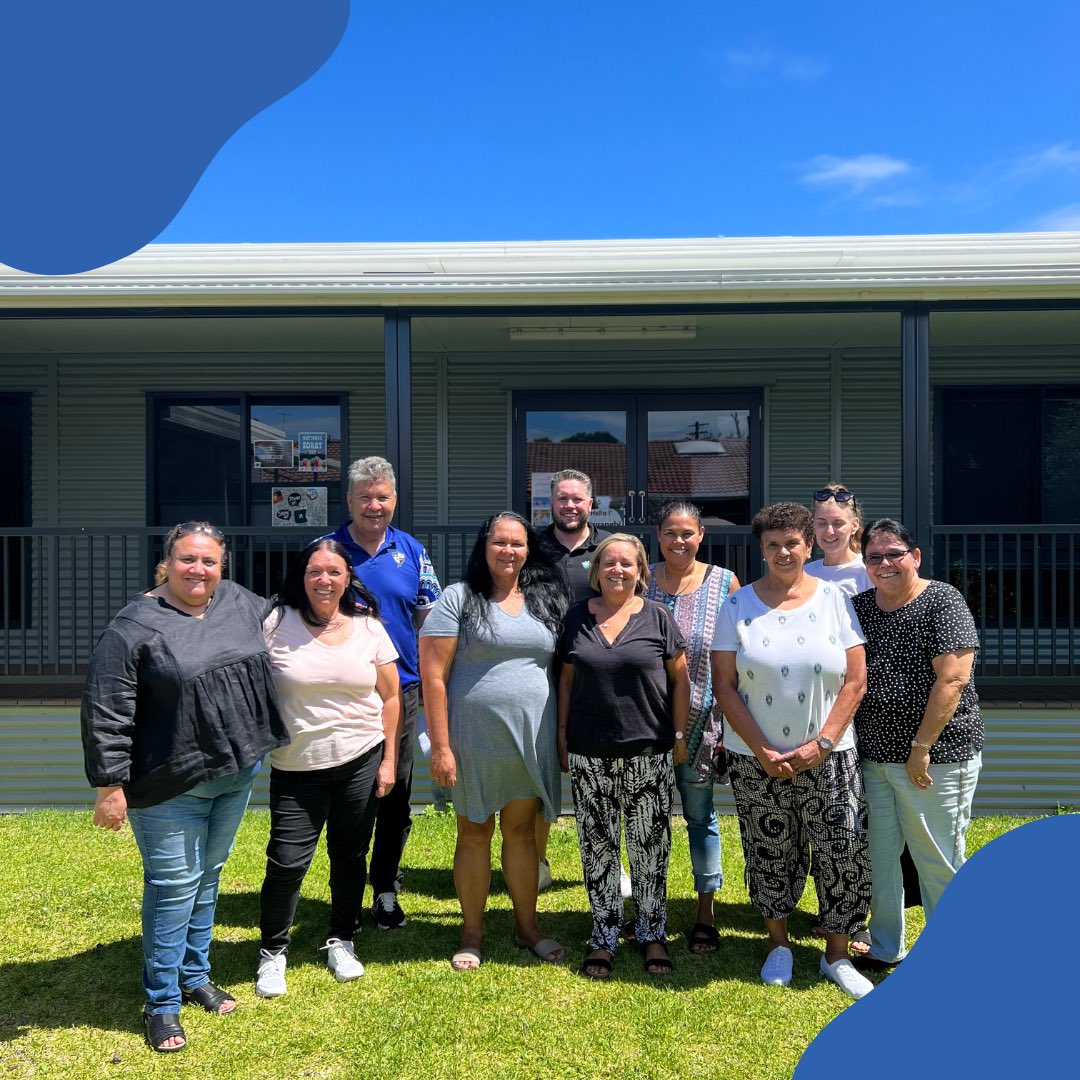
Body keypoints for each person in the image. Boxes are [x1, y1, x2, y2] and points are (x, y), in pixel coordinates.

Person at [81, 522, 288, 1053]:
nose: (200, 570)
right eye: (188, 560)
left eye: (210, 561)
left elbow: (291, 622)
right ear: (166, 562)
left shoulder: (237, 602)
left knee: (208, 878)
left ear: (224, 566)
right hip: (168, 782)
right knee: (174, 888)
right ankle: (162, 1003)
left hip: (235, 772)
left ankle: (195, 975)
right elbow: (107, 712)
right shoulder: (132, 627)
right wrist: (109, 786)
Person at [711, 502, 875, 1000]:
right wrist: (761, 749)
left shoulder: (834, 599)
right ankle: (778, 944)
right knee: (769, 850)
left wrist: (823, 742)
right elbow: (724, 685)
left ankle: (837, 954)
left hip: (831, 754)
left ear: (809, 546)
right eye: (773, 545)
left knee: (841, 849)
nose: (784, 552)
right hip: (755, 758)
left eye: (792, 543)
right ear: (761, 550)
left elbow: (855, 679)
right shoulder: (737, 607)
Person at [420, 512, 567, 971]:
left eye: (517, 544)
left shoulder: (545, 599)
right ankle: (472, 931)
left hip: (531, 736)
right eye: (500, 542)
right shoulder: (458, 599)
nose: (508, 551)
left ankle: (528, 927)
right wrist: (441, 747)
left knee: (522, 834)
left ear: (529, 550)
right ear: (484, 547)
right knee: (474, 832)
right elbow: (433, 676)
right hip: (473, 739)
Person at [255, 540, 401, 997]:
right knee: (286, 862)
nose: (324, 580)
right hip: (297, 765)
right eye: (315, 571)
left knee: (349, 857)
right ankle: (273, 952)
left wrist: (390, 762)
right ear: (302, 576)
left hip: (361, 757)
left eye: (334, 572)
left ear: (347, 578)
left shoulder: (369, 628)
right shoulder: (276, 623)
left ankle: (343, 938)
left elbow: (392, 696)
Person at [851, 518, 983, 970]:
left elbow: (953, 678)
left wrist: (920, 746)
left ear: (915, 557)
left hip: (934, 758)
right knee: (881, 856)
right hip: (874, 757)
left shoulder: (942, 600)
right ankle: (886, 946)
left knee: (937, 857)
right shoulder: (860, 608)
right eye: (874, 557)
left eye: (894, 554)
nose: (885, 564)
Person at [557, 533, 690, 979]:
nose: (618, 570)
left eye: (627, 564)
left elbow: (681, 681)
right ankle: (604, 935)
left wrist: (678, 734)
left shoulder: (658, 617)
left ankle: (652, 932)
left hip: (648, 749)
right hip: (589, 750)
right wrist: (561, 733)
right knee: (598, 846)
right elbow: (567, 681)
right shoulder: (576, 618)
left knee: (649, 846)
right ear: (596, 572)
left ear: (640, 572)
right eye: (609, 563)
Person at [324, 456, 441, 931]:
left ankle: (386, 888)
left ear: (395, 500)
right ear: (349, 500)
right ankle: (345, 893)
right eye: (365, 497)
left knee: (396, 795)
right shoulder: (326, 552)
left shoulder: (411, 550)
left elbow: (429, 619)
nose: (375, 506)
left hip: (404, 689)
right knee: (350, 797)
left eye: (384, 497)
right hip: (342, 693)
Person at [643, 501, 739, 955]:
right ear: (658, 536)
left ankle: (706, 913)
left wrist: (727, 723)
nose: (678, 541)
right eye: (669, 533)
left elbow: (737, 658)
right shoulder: (641, 581)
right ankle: (650, 911)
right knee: (648, 822)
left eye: (687, 533)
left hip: (703, 725)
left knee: (700, 818)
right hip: (645, 725)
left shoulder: (724, 583)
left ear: (701, 535)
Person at [535, 468, 611, 890]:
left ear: (590, 503)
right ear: (551, 503)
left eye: (577, 499)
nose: (569, 506)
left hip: (596, 671)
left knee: (603, 770)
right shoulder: (533, 548)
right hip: (541, 670)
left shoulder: (608, 548)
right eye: (562, 499)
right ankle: (539, 860)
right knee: (544, 768)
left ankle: (608, 861)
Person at [805, 484, 870, 596]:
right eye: (822, 523)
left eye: (838, 523)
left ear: (854, 525)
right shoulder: (805, 573)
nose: (829, 531)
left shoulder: (868, 571)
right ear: (813, 525)